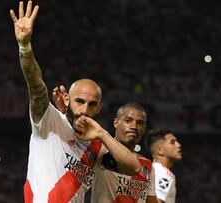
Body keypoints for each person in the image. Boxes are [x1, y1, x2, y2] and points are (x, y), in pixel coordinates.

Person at [9, 1, 142, 202]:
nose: (84, 110)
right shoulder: (51, 121)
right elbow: (36, 86)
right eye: (79, 101)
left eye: (92, 104)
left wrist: (102, 134)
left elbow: (133, 168)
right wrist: (25, 46)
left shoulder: (97, 145)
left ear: (99, 108)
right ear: (67, 99)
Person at [53, 88, 158, 202]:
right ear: (115, 123)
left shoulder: (147, 165)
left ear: (144, 129)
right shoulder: (98, 149)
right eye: (128, 121)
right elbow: (73, 136)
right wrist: (65, 113)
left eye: (140, 123)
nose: (134, 126)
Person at [144, 129, 182, 203]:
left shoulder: (152, 169)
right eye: (172, 142)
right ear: (160, 150)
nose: (178, 145)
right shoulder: (163, 173)